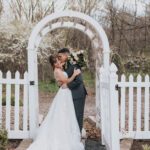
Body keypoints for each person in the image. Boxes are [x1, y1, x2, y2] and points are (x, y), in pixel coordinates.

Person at [26, 55, 84, 150]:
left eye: (58, 61)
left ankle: (67, 133)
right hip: (63, 93)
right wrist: (75, 74)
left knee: (67, 115)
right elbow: (66, 81)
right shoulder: (56, 71)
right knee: (61, 114)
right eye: (55, 62)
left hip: (66, 93)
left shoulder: (59, 68)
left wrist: (72, 61)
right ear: (53, 64)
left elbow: (64, 65)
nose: (58, 63)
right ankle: (60, 137)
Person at [57, 48, 87, 133]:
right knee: (71, 115)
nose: (59, 58)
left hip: (78, 94)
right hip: (71, 94)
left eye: (60, 56)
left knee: (77, 115)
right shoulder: (66, 65)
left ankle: (78, 135)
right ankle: (73, 133)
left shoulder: (74, 64)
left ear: (66, 55)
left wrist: (67, 85)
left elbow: (79, 80)